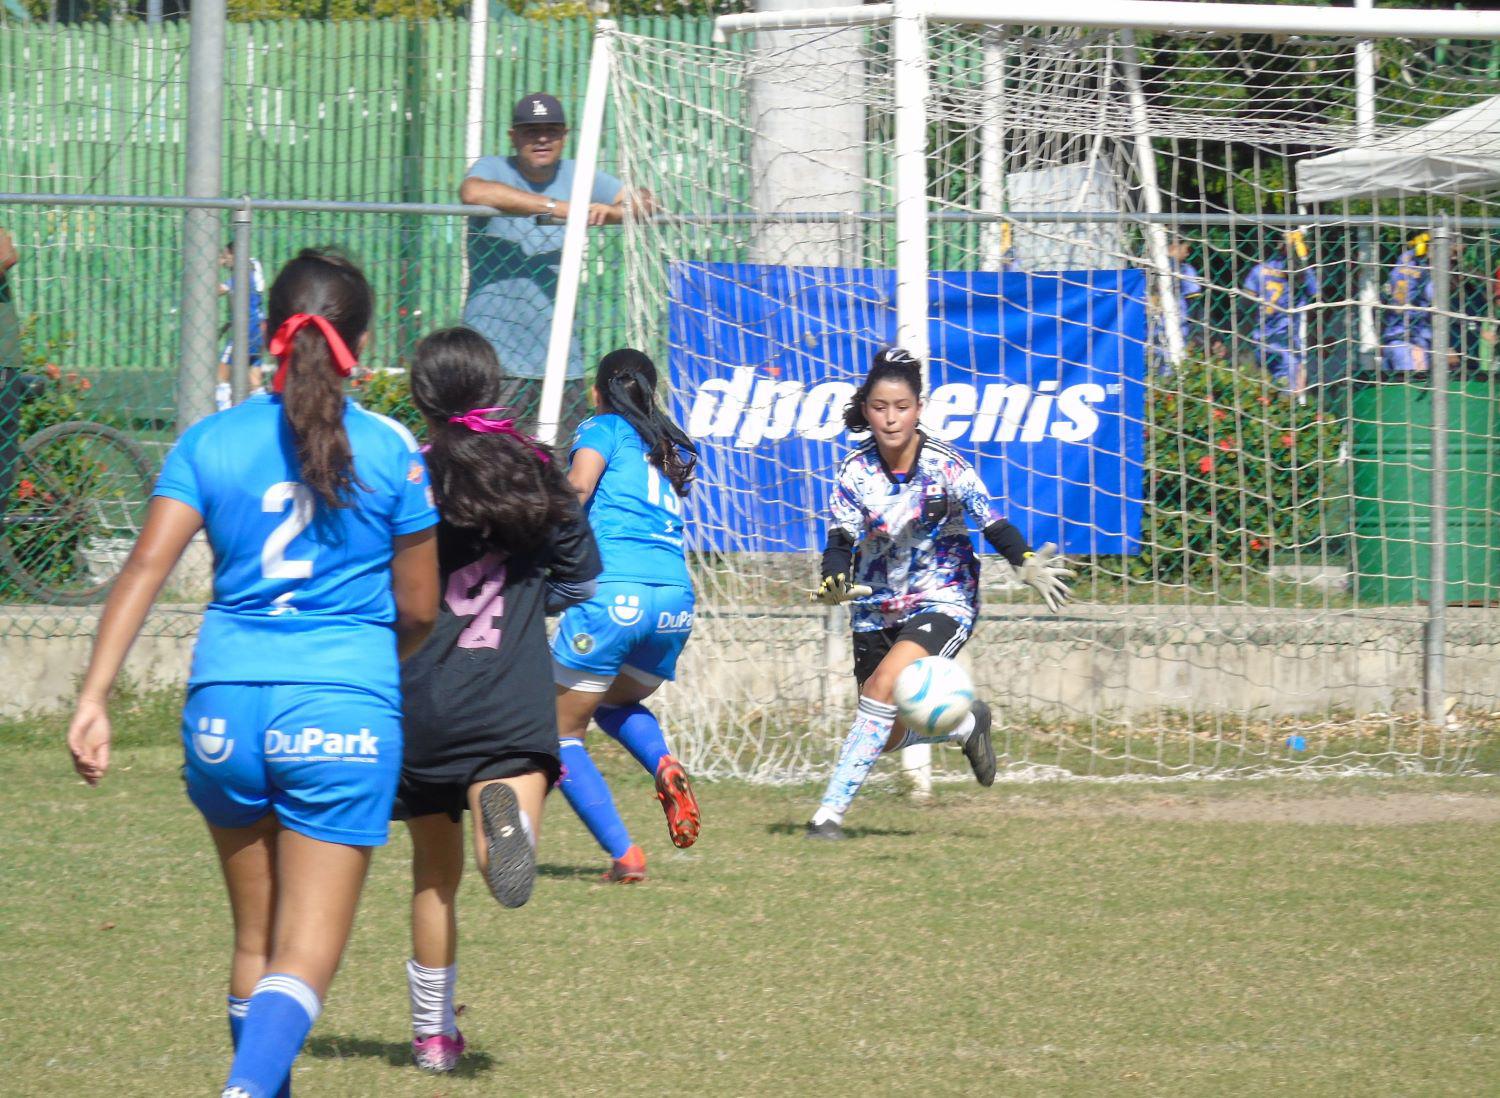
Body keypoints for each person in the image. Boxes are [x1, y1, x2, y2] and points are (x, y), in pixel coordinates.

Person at [65, 248, 441, 1098]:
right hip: (342, 708)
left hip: (223, 710)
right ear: (364, 340)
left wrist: (94, 698)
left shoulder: (209, 440)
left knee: (254, 942)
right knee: (304, 955)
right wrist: (369, 674)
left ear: (272, 332)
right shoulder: (389, 448)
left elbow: (142, 572)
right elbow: (419, 609)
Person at [393, 327, 601, 1074]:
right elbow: (582, 581)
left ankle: (432, 1039)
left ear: (422, 400)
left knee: (430, 878)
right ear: (495, 390)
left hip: (419, 701)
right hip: (509, 699)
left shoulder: (409, 475)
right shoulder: (538, 473)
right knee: (502, 826)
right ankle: (502, 826)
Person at [805, 347, 1074, 841]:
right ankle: (964, 726)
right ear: (866, 409)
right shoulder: (853, 472)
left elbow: (991, 521)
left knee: (885, 684)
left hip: (943, 596)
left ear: (919, 408)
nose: (891, 418)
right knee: (882, 730)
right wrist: (834, 577)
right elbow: (840, 540)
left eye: (902, 406)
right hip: (875, 605)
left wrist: (1024, 561)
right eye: (880, 407)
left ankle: (827, 818)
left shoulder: (945, 465)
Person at [550, 348, 702, 882]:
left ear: (597, 393)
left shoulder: (602, 427)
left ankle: (624, 856)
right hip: (676, 602)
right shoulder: (658, 445)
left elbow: (578, 489)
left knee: (557, 732)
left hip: (617, 594)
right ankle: (663, 762)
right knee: (613, 704)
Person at [459, 92, 652, 438]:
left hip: (561, 358)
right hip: (495, 359)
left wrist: (611, 212)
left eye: (552, 130)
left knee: (563, 472)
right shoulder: (494, 168)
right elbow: (472, 192)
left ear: (565, 136)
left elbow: (645, 201)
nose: (542, 138)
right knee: (490, 467)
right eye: (532, 131)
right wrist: (558, 207)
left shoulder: (576, 174)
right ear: (514, 136)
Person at [1243, 230, 1319, 392]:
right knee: (1288, 395)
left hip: (1261, 340)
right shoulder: (1301, 273)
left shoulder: (1259, 270)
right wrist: (1303, 260)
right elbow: (1316, 295)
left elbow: (1246, 302)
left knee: (1262, 392)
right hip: (1287, 345)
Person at [215, 240, 269, 411]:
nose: (224, 262)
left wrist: (209, 269)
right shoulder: (254, 265)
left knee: (221, 374)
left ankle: (224, 412)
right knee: (254, 378)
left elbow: (219, 290)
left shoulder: (242, 273)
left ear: (234, 256)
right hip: (260, 325)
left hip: (247, 327)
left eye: (225, 257)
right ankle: (260, 411)